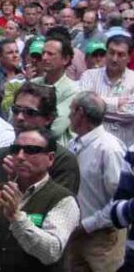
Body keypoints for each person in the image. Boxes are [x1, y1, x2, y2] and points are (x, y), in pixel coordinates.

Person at [0, 128, 80, 269]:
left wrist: (17, 218)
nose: (20, 156)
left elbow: (51, 252)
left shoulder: (63, 199)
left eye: (31, 150)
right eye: (15, 149)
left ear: (50, 158)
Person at [65, 91, 128, 271]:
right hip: (75, 236)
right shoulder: (73, 144)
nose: (68, 115)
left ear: (80, 112)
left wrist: (88, 225)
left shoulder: (109, 149)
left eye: (71, 110)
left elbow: (119, 199)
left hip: (103, 240)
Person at [0, 81, 81, 195]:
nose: (19, 117)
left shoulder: (63, 161)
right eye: (16, 110)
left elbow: (59, 207)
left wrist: (19, 180)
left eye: (30, 112)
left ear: (48, 119)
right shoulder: (0, 157)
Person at [78, 34, 134, 146]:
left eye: (121, 55)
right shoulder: (89, 75)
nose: (114, 58)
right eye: (111, 52)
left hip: (123, 149)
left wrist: (96, 104)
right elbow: (82, 104)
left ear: (129, 58)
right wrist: (116, 103)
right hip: (90, 146)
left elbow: (131, 113)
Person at [33, 34, 80, 139]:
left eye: (50, 54)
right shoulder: (33, 84)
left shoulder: (73, 91)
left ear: (65, 59)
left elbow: (55, 129)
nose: (44, 58)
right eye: (43, 53)